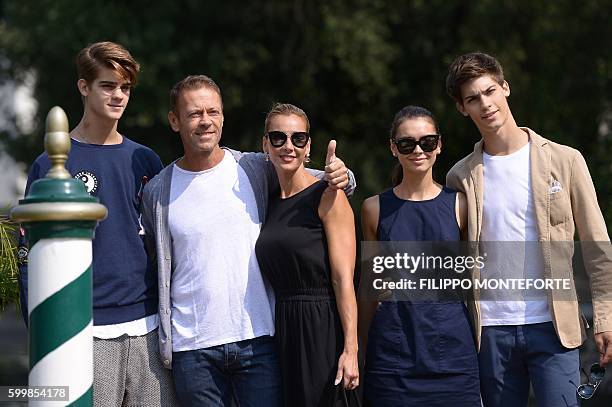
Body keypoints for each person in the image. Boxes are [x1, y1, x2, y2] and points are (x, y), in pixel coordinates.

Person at [140, 76, 356, 407]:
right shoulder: (158, 191)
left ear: (223, 117)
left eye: (213, 111)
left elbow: (303, 176)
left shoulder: (252, 167)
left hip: (259, 343)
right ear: (174, 120)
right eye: (194, 113)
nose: (205, 121)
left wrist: (344, 176)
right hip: (192, 349)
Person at [445, 51, 612, 407]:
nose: (485, 104)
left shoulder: (565, 160)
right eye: (473, 99)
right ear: (463, 108)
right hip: (489, 332)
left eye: (490, 91)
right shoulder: (460, 176)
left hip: (554, 326)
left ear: (505, 88)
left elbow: (598, 247)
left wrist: (605, 317)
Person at [18, 41, 178, 406]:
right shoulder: (50, 166)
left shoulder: (145, 159)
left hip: (149, 327)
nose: (119, 95)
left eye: (125, 87)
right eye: (108, 85)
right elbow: (31, 258)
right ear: (83, 86)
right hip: (83, 330)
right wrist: (47, 332)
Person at [359, 106, 480, 406]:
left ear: (439, 145)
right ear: (393, 148)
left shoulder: (462, 206)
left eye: (427, 142)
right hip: (391, 361)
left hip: (455, 360)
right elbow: (370, 290)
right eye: (407, 143)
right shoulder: (373, 209)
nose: (418, 150)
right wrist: (358, 350)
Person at [254, 103, 360, 406]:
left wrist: (351, 348)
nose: (288, 146)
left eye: (298, 138)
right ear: (265, 144)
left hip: (323, 326)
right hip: (283, 329)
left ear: (308, 145)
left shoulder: (328, 195)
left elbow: (344, 280)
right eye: (278, 138)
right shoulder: (268, 202)